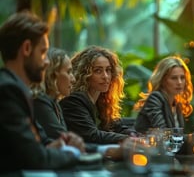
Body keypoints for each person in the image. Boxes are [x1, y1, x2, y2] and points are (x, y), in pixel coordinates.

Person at [0, 11, 80, 172]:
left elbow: (42, 142)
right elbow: (37, 158)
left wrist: (57, 145)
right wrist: (75, 153)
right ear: (27, 48)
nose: (47, 62)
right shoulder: (7, 90)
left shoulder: (16, 89)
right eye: (43, 52)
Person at [60, 45, 135, 144]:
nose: (105, 76)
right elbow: (92, 135)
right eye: (98, 71)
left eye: (108, 70)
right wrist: (129, 139)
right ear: (84, 74)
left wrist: (135, 135)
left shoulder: (101, 102)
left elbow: (116, 126)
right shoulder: (73, 101)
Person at [133, 56, 193, 134]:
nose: (179, 82)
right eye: (174, 78)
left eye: (182, 78)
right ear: (163, 80)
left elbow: (178, 135)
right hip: (146, 145)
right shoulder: (155, 98)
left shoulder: (176, 104)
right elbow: (163, 132)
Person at [32, 48, 75, 139]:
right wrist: (101, 149)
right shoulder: (39, 102)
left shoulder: (55, 104)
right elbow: (63, 140)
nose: (73, 79)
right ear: (52, 74)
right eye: (68, 72)